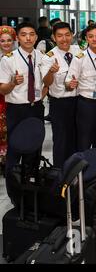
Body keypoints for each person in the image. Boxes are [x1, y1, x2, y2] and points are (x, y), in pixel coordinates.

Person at [0, 22, 45, 173]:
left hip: (36, 108)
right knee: (15, 149)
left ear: (36, 37)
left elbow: (47, 82)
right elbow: (2, 90)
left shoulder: (41, 56)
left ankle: (31, 188)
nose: (28, 38)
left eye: (31, 34)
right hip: (17, 110)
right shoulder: (8, 59)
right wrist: (12, 83)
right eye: (24, 35)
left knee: (34, 150)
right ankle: (14, 191)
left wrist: (40, 97)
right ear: (17, 38)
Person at [41, 22, 81, 168]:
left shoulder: (79, 51)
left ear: (72, 35)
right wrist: (51, 71)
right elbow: (46, 82)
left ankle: (77, 175)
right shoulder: (49, 57)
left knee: (78, 140)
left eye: (67, 35)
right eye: (60, 36)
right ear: (53, 37)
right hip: (60, 105)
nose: (64, 39)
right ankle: (60, 175)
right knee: (61, 141)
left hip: (79, 102)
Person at [66, 23, 96, 151]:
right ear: (86, 39)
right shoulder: (79, 58)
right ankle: (83, 170)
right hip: (87, 105)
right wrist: (70, 84)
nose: (95, 39)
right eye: (91, 36)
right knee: (84, 141)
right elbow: (68, 80)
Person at [0, 26, 16, 167]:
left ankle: (8, 161)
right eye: (2, 40)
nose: (6, 43)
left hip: (14, 100)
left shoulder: (18, 58)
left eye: (9, 40)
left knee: (11, 130)